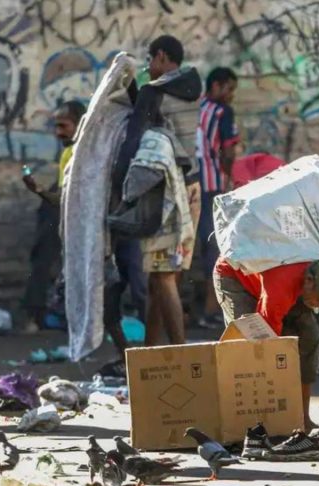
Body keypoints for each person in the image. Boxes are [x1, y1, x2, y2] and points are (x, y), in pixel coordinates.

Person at [111, 35, 202, 346]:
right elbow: (166, 122)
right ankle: (151, 354)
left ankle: (181, 354)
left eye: (151, 60)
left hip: (165, 192)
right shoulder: (192, 89)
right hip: (193, 189)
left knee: (162, 277)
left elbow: (133, 142)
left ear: (162, 56)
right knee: (163, 277)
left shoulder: (154, 91)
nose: (149, 67)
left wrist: (122, 194)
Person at [214, 253, 319, 436]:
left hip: (279, 280)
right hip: (235, 276)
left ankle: (302, 419)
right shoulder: (280, 290)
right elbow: (266, 343)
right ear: (309, 281)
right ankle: (250, 424)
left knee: (309, 337)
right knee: (248, 348)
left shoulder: (316, 269)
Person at [20, 100, 85, 333]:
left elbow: (68, 198)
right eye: (56, 126)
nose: (58, 132)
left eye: (63, 126)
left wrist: (38, 191)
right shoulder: (69, 151)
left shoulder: (82, 153)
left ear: (80, 125)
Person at [194, 66, 240, 328]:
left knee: (193, 249)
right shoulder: (223, 112)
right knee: (215, 247)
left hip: (189, 186)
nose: (231, 95)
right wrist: (228, 179)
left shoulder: (195, 107)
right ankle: (211, 310)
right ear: (217, 86)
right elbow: (229, 151)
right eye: (230, 89)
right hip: (212, 187)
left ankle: (194, 309)